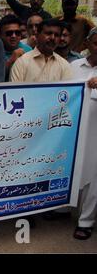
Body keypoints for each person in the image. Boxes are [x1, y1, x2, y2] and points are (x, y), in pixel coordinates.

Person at [70, 27, 97, 240]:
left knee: (94, 176)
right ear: (87, 44)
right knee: (72, 170)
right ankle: (63, 210)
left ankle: (86, 220)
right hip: (73, 130)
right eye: (96, 43)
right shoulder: (74, 66)